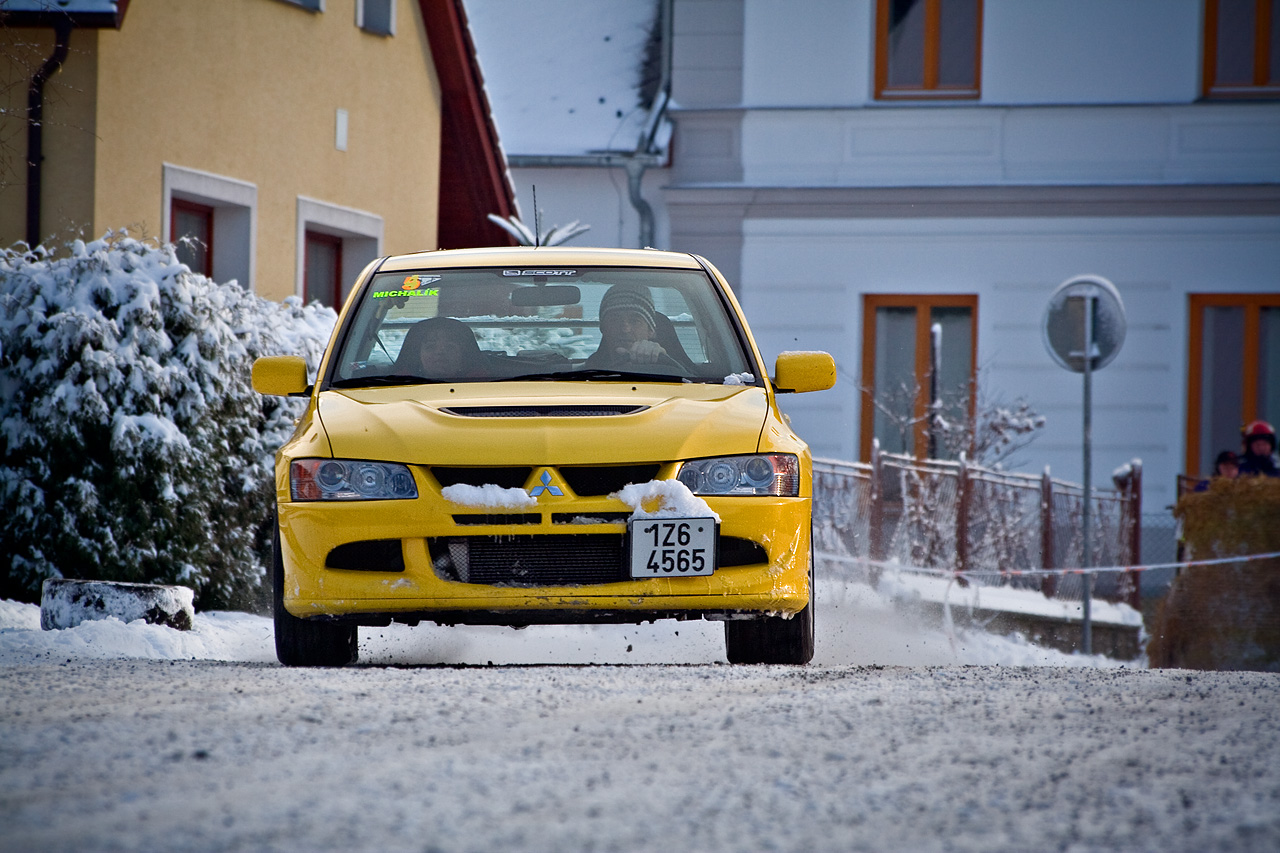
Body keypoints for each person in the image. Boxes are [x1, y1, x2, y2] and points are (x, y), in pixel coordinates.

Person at [585, 284, 672, 368]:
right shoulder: (584, 373)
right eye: (615, 320)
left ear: (651, 330)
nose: (625, 329)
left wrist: (663, 361)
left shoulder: (673, 375)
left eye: (635, 321)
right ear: (603, 328)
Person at [396, 317, 487, 379]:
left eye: (449, 347)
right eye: (430, 347)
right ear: (417, 355)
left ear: (464, 354)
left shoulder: (484, 385)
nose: (440, 352)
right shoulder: (396, 385)